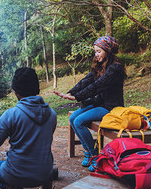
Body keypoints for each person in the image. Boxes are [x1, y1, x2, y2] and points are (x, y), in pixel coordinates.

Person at [53, 36, 125, 172]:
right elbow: (86, 80)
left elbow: (98, 85)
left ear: (108, 51)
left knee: (79, 121)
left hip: (111, 107)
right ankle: (88, 150)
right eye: (95, 51)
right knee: (72, 118)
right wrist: (71, 92)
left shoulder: (115, 68)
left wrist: (77, 96)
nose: (96, 55)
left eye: (99, 51)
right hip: (99, 103)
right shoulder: (100, 66)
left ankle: (96, 155)